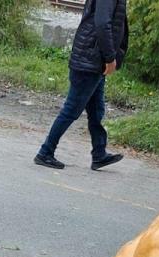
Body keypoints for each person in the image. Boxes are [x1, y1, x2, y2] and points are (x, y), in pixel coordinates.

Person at [34, 0, 127, 171]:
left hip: (93, 61)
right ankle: (45, 152)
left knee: (96, 110)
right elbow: (102, 23)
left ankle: (99, 154)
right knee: (71, 110)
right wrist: (110, 57)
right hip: (90, 60)